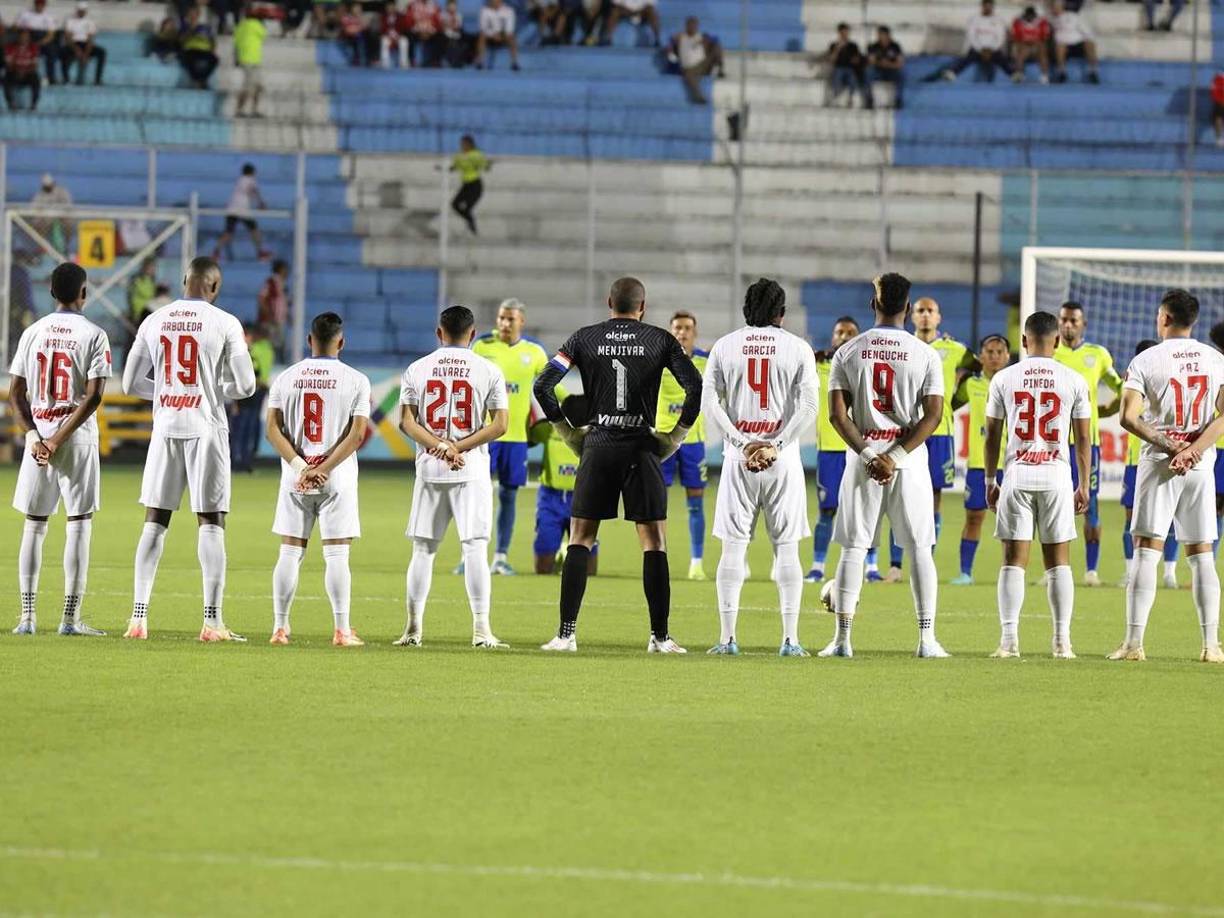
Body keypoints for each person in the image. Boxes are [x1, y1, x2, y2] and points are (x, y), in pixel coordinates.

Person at [533, 276, 702, 654]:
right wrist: (675, 436)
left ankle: (566, 635)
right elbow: (695, 386)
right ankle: (660, 638)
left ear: (609, 303)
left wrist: (566, 431)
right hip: (642, 447)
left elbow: (543, 385)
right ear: (643, 306)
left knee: (580, 538)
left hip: (598, 445)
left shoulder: (583, 338)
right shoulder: (661, 340)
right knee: (654, 542)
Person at [120, 256, 257, 641]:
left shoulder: (154, 319)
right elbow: (246, 386)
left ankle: (138, 618)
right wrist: (215, 390)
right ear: (214, 287)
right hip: (206, 429)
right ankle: (212, 621)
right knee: (211, 521)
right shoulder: (225, 322)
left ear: (184, 281)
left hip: (166, 428)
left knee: (154, 520)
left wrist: (168, 393)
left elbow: (130, 383)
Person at [818, 272, 947, 659]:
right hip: (909, 462)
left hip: (864, 459)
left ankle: (842, 641)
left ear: (873, 304)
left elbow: (837, 416)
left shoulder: (848, 351)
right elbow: (933, 415)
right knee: (920, 549)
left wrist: (871, 455)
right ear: (907, 307)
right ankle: (926, 640)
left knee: (853, 548)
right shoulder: (925, 354)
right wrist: (896, 456)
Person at [703, 280, 819, 657]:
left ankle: (727, 639)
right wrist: (776, 445)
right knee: (786, 548)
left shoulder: (725, 346)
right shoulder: (798, 348)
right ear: (781, 314)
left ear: (745, 309)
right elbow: (809, 407)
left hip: (739, 461)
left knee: (733, 547)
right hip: (782, 461)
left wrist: (741, 443)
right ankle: (790, 640)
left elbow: (711, 403)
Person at [1110, 289, 1224, 664]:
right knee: (1202, 554)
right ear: (1193, 321)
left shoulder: (1146, 360)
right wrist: (1193, 450)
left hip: (1161, 463)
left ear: (1164, 317)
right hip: (1200, 467)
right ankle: (1211, 646)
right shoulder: (1216, 359)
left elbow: (1128, 417)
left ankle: (1133, 644)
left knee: (1147, 550)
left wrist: (1171, 445)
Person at [397, 305, 510, 648]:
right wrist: (457, 447)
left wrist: (440, 447)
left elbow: (406, 422)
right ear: (473, 334)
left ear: (439, 333)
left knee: (423, 550)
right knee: (475, 549)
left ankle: (413, 629)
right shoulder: (488, 369)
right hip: (470, 469)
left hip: (430, 470)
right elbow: (500, 425)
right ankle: (481, 630)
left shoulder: (417, 368)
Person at [8, 262, 111, 637]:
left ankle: (27, 617)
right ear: (84, 293)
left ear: (51, 292)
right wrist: (58, 440)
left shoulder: (32, 332)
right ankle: (70, 618)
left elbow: (15, 393)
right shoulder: (95, 334)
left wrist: (36, 437)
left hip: (39, 438)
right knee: (79, 524)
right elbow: (95, 395)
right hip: (76, 438)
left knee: (34, 526)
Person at [984, 311, 1090, 659]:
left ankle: (1009, 642)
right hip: (1057, 476)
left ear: (1024, 341)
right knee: (1058, 562)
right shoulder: (1073, 379)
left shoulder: (1004, 378)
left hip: (1017, 475)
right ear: (1057, 340)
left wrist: (990, 479)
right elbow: (1083, 438)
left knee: (1013, 561)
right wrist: (1084, 485)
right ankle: (1062, 643)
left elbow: (992, 435)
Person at [264, 311, 371, 646]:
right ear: (341, 342)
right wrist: (324, 468)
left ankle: (279, 628)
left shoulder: (286, 377)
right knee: (337, 555)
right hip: (337, 478)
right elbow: (357, 435)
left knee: (289, 551)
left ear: (309, 340)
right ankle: (341, 630)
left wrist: (302, 466)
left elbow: (272, 430)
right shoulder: (356, 380)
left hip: (295, 477)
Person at [892, 296, 974, 581]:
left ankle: (925, 562)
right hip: (907, 431)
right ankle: (895, 566)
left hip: (939, 433)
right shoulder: (902, 346)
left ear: (939, 317)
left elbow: (979, 370)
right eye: (920, 310)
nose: (925, 315)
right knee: (899, 495)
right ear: (912, 316)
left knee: (933, 498)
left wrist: (952, 402)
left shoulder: (955, 349)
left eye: (931, 311)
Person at [470, 298, 548, 576]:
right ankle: (472, 555)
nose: (504, 323)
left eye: (510, 319)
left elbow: (549, 387)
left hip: (516, 438)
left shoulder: (534, 353)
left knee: (508, 496)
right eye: (501, 318)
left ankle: (500, 557)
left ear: (521, 321)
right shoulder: (482, 346)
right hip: (484, 436)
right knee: (475, 496)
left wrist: (574, 405)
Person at [1052, 300, 1122, 586]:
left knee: (1089, 503)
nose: (1068, 324)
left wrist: (1107, 410)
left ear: (1083, 324)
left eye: (1074, 320)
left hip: (1085, 444)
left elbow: (1122, 388)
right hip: (1052, 443)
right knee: (1053, 505)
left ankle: (1091, 570)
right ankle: (1056, 568)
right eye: (1064, 320)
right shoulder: (1049, 353)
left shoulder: (1098, 355)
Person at [808, 316, 866, 582]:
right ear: (832, 337)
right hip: (829, 451)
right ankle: (818, 566)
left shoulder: (867, 365)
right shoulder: (818, 364)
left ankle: (871, 567)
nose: (844, 336)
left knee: (864, 511)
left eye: (850, 332)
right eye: (839, 332)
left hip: (860, 449)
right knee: (827, 510)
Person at [949, 333, 1010, 585]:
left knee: (1010, 522)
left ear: (1007, 356)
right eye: (989, 352)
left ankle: (1010, 573)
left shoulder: (1015, 384)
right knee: (974, 517)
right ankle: (965, 573)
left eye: (999, 352)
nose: (994, 356)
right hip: (978, 465)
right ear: (981, 356)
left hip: (1010, 465)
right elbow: (947, 406)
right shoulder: (970, 385)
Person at [1120, 340, 1180, 589]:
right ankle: (1129, 571)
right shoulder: (1131, 384)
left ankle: (1169, 572)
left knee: (1171, 516)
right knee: (1131, 517)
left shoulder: (1168, 384)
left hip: (1161, 456)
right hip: (1135, 460)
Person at [655, 310, 708, 579]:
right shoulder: (658, 361)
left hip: (692, 441)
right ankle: (659, 557)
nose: (682, 332)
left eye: (687, 328)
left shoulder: (706, 361)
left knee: (696, 502)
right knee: (657, 503)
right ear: (671, 331)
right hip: (662, 439)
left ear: (694, 332)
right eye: (677, 328)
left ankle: (696, 562)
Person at [529, 387, 598, 575]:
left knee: (589, 572)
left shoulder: (596, 436)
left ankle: (566, 552)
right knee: (543, 569)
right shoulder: (547, 430)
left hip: (583, 500)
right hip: (550, 500)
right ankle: (559, 552)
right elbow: (526, 435)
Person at [924, 0, 1012, 83]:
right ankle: (952, 74)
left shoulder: (998, 20)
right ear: (982, 7)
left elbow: (1000, 37)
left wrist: (991, 49)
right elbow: (972, 36)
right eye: (986, 6)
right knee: (967, 59)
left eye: (990, 7)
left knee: (1002, 60)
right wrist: (981, 49)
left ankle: (1013, 75)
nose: (988, 9)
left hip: (993, 50)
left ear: (992, 7)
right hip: (978, 49)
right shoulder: (974, 19)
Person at [229, 323, 273, 472]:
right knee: (248, 426)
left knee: (243, 426)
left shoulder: (250, 351)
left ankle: (240, 460)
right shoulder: (264, 349)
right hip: (254, 391)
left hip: (249, 393)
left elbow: (250, 373)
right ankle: (243, 459)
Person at [214, 163, 272, 261]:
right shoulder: (250, 180)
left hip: (232, 208)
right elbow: (254, 191)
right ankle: (260, 252)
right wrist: (261, 203)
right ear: (252, 172)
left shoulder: (240, 180)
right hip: (242, 210)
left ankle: (216, 252)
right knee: (254, 230)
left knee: (228, 232)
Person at [667, 16, 723, 105]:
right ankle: (699, 97)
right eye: (690, 25)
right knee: (689, 75)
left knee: (717, 47)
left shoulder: (702, 36)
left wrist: (706, 42)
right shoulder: (681, 37)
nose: (692, 27)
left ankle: (720, 69)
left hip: (703, 65)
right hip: (689, 67)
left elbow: (714, 41)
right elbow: (670, 44)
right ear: (686, 26)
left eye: (694, 25)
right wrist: (671, 49)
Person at [1049, 0, 1099, 85]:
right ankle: (1061, 73)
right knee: (1059, 46)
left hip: (1077, 44)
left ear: (1062, 7)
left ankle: (1093, 71)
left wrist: (1084, 40)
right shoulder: (1053, 20)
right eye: (1054, 8)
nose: (1055, 9)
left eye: (1057, 7)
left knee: (1090, 44)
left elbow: (1087, 33)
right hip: (1063, 45)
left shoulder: (1074, 16)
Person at [15, 0, 61, 85]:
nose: (39, 6)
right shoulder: (25, 14)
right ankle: (22, 76)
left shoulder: (49, 16)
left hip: (43, 39)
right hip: (28, 38)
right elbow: (17, 28)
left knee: (52, 53)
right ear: (35, 4)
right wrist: (26, 38)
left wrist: (41, 42)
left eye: (41, 4)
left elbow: (51, 34)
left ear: (44, 5)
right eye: (38, 4)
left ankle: (51, 77)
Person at [450, 134, 488, 234]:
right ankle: (470, 221)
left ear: (470, 144)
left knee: (467, 207)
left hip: (475, 184)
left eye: (464, 144)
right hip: (466, 185)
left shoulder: (477, 154)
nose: (462, 146)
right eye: (461, 144)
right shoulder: (459, 156)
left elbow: (484, 166)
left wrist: (486, 165)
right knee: (454, 204)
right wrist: (443, 168)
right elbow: (454, 167)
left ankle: (471, 226)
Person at [233, 5, 266, 117]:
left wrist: (236, 58)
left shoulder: (240, 26)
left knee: (254, 86)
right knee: (252, 86)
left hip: (244, 59)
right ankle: (244, 110)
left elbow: (235, 43)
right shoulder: (257, 25)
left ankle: (248, 110)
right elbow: (263, 35)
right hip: (254, 60)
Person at [61, 2, 105, 86]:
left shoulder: (90, 21)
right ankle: (65, 78)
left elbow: (90, 39)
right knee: (63, 52)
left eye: (83, 11)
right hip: (73, 44)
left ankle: (98, 79)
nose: (81, 12)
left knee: (102, 52)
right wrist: (76, 50)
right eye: (80, 10)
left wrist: (86, 54)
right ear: (77, 10)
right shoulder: (70, 20)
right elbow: (68, 38)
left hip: (85, 44)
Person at [825, 22, 866, 107]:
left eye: (846, 32)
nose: (845, 35)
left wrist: (853, 59)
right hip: (838, 68)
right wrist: (838, 49)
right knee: (838, 74)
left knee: (852, 77)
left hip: (850, 69)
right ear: (839, 33)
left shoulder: (853, 45)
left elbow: (857, 60)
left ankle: (850, 98)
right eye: (843, 32)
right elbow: (831, 60)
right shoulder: (834, 45)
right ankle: (836, 98)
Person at [179, 6, 220, 88]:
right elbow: (181, 40)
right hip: (191, 49)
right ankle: (197, 80)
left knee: (215, 60)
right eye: (191, 14)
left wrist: (213, 49)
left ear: (198, 15)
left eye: (194, 14)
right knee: (187, 60)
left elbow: (212, 40)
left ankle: (202, 79)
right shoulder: (185, 27)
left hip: (205, 50)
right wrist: (191, 29)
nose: (193, 16)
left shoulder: (205, 27)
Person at [865, 25, 904, 109]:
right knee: (868, 72)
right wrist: (880, 63)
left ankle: (898, 100)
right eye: (879, 35)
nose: (881, 37)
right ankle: (869, 99)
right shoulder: (874, 46)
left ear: (888, 35)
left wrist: (888, 64)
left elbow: (900, 63)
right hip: (878, 71)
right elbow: (871, 61)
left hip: (891, 71)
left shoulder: (895, 46)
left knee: (901, 74)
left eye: (883, 34)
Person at [257, 258, 290, 358]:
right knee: (271, 343)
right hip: (270, 320)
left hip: (278, 320)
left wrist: (287, 315)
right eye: (285, 269)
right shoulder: (271, 282)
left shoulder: (282, 283)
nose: (287, 272)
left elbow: (282, 302)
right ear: (280, 269)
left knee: (279, 342)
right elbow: (262, 298)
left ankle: (278, 360)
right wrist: (268, 314)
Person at [1210, 321, 1224, 548]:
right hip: (1215, 444)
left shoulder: (1214, 365)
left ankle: (1208, 562)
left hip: (1215, 443)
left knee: (1213, 507)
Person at [1010, 5, 1049, 84]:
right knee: (1020, 51)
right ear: (1025, 15)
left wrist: (1036, 44)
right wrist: (1023, 45)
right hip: (1024, 47)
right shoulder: (1018, 22)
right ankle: (1019, 74)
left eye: (1032, 16)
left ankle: (1044, 76)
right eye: (1028, 16)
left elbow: (1045, 38)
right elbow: (1015, 38)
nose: (1030, 18)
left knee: (1042, 50)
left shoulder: (1041, 22)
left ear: (1034, 15)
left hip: (1037, 46)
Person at [4, 30, 42, 111]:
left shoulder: (33, 47)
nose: (23, 38)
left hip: (28, 73)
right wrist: (18, 70)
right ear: (18, 37)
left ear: (29, 38)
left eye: (26, 36)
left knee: (35, 78)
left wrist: (25, 71)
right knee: (6, 78)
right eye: (22, 36)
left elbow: (35, 65)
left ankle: (33, 105)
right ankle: (10, 104)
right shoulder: (10, 47)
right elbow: (8, 64)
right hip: (14, 72)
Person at [476, 0, 519, 71]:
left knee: (512, 37)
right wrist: (493, 34)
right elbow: (483, 27)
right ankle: (480, 62)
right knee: (481, 36)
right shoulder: (484, 11)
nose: (494, 2)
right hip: (490, 36)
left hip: (504, 35)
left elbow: (510, 28)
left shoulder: (509, 11)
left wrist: (501, 35)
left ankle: (514, 62)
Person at [406, 0, 443, 66]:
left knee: (440, 37)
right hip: (417, 32)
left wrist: (432, 30)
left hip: (430, 32)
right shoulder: (412, 5)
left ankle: (435, 61)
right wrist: (417, 30)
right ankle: (411, 60)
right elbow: (408, 20)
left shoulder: (434, 6)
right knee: (409, 36)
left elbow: (438, 21)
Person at [1212, 69, 1224, 149]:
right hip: (1220, 103)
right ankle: (1219, 137)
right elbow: (1214, 93)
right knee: (1218, 115)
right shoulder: (1218, 78)